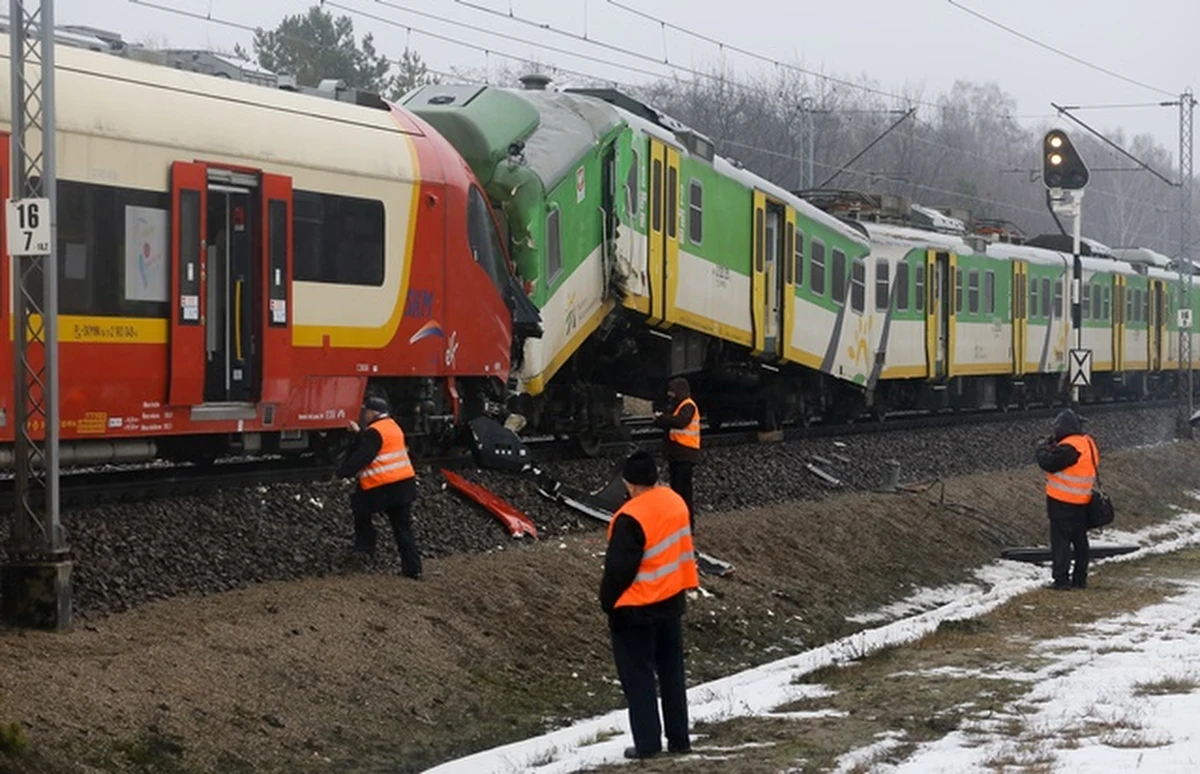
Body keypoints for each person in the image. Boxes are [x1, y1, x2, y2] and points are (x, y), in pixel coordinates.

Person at [599, 450, 700, 760]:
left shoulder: (630, 517)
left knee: (639, 678)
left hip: (636, 609)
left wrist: (607, 603)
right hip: (671, 601)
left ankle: (648, 744)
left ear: (629, 483)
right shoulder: (675, 502)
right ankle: (680, 739)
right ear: (655, 477)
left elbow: (619, 570)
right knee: (672, 674)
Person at [338, 395, 423, 579]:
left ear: (372, 413)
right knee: (403, 529)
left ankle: (365, 547)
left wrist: (343, 472)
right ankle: (413, 569)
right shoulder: (393, 427)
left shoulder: (374, 432)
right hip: (404, 486)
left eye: (366, 412)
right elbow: (377, 444)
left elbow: (364, 455)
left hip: (383, 486)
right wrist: (358, 433)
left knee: (360, 509)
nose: (365, 415)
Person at [1035, 409, 1096, 590]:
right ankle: (1080, 579)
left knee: (1061, 543)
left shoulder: (1070, 447)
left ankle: (1061, 580)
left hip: (1062, 502)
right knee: (1080, 542)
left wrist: (1041, 448)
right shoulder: (1087, 443)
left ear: (1064, 428)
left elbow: (1049, 463)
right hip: (1082, 500)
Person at [652, 377, 700, 529]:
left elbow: (679, 422)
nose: (670, 394)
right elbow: (671, 422)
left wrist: (662, 418)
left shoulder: (688, 406)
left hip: (684, 454)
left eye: (672, 391)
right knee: (679, 490)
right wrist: (661, 419)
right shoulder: (678, 406)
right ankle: (683, 523)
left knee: (682, 491)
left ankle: (686, 524)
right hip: (678, 455)